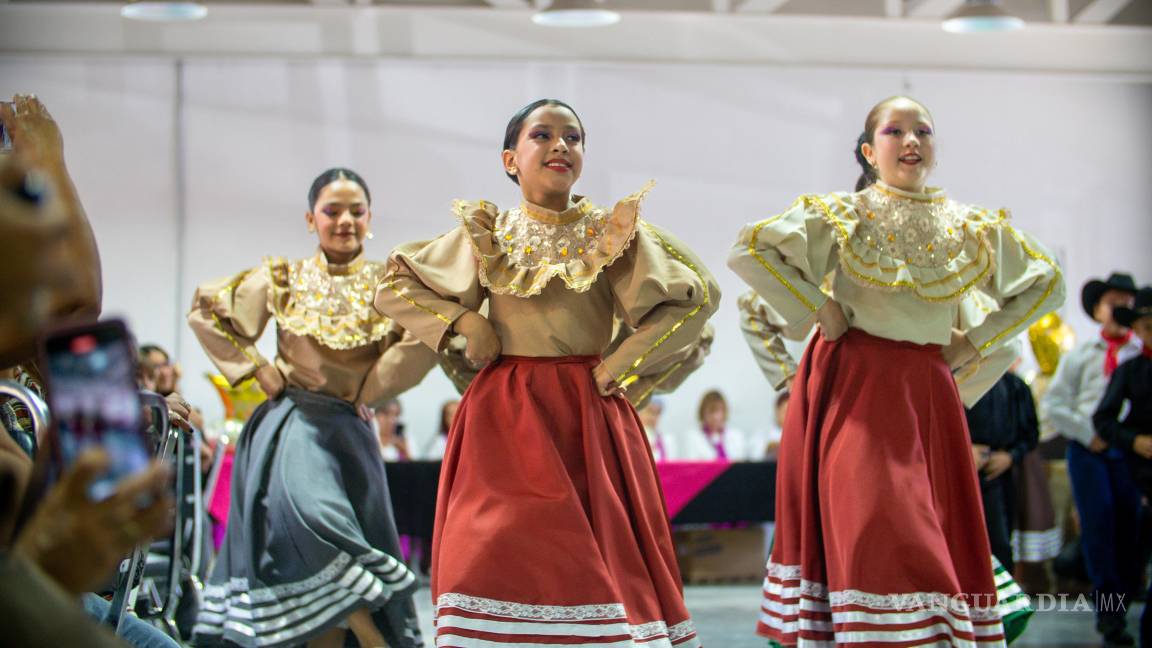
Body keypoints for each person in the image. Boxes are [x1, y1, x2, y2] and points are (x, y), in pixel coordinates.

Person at [374, 98, 719, 647]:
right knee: (487, 550)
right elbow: (393, 287)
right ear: (511, 159)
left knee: (593, 559)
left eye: (573, 137)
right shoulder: (485, 233)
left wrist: (621, 364)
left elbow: (693, 299)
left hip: (586, 413)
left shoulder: (612, 234)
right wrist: (467, 319)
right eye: (543, 135)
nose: (561, 145)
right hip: (504, 416)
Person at [730, 95, 1063, 645]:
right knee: (870, 524)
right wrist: (820, 305)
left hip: (926, 394)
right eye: (895, 131)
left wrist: (975, 342)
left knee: (925, 527)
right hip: (856, 386)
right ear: (868, 150)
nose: (911, 141)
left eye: (923, 131)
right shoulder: (844, 213)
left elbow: (1046, 283)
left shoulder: (968, 225)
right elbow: (749, 252)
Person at [188, 168, 440, 648]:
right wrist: (257, 365)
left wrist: (372, 391)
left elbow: (424, 338)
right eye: (331, 210)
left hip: (350, 431)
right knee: (318, 526)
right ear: (311, 219)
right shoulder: (283, 278)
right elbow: (208, 312)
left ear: (371, 219)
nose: (345, 220)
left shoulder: (392, 285)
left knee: (318, 549)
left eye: (356, 211)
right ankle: (372, 636)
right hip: (293, 425)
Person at [1042, 272, 1143, 647]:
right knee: (1098, 526)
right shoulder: (1080, 354)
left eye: (1126, 303)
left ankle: (1128, 595)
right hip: (1089, 452)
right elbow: (1055, 403)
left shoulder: (1139, 355)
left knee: (1130, 528)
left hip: (1130, 451)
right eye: (1111, 302)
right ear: (1099, 309)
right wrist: (1089, 433)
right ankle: (1110, 614)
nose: (1119, 309)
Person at [1094, 286, 1152, 648]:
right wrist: (1134, 441)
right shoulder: (1131, 371)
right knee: (1128, 557)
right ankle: (1114, 619)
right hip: (1141, 477)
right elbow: (1103, 419)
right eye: (1146, 327)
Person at [966, 363, 1040, 574]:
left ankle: (1000, 603)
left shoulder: (1014, 386)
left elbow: (1030, 433)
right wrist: (963, 450)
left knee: (999, 543)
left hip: (997, 476)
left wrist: (1010, 456)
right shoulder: (956, 380)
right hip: (957, 475)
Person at [681, 390, 754, 461]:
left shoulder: (736, 435)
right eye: (712, 411)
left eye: (720, 410)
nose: (716, 416)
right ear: (703, 412)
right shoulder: (693, 437)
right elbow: (692, 466)